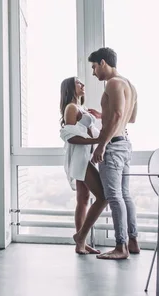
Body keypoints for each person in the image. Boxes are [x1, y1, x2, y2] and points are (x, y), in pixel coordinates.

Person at [88, 47, 139, 260]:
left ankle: (121, 247)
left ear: (102, 63)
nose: (93, 72)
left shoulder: (113, 83)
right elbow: (130, 117)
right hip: (125, 144)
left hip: (113, 146)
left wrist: (101, 145)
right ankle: (133, 241)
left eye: (93, 67)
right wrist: (104, 114)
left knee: (113, 196)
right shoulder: (130, 85)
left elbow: (118, 114)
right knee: (124, 195)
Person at [59, 77, 107, 255]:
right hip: (80, 158)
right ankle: (81, 236)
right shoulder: (71, 108)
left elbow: (86, 128)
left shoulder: (82, 108)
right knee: (102, 197)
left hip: (85, 156)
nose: (82, 85)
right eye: (78, 83)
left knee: (83, 199)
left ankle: (81, 243)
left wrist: (99, 116)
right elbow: (70, 136)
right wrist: (97, 140)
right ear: (70, 88)